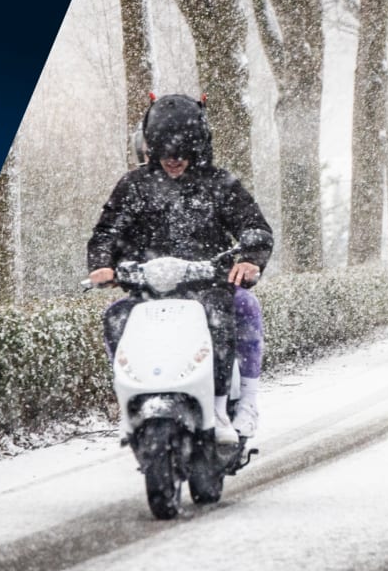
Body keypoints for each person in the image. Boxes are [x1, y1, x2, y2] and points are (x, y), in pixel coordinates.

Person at [88, 94, 272, 444]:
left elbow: (253, 225)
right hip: (147, 293)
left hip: (209, 287)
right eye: (165, 152)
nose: (174, 160)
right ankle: (130, 401)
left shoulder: (219, 184)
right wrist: (101, 264)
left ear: (198, 147)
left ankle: (231, 405)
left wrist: (250, 258)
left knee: (236, 310)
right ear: (150, 148)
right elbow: (106, 232)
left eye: (183, 152)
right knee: (115, 317)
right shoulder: (133, 187)